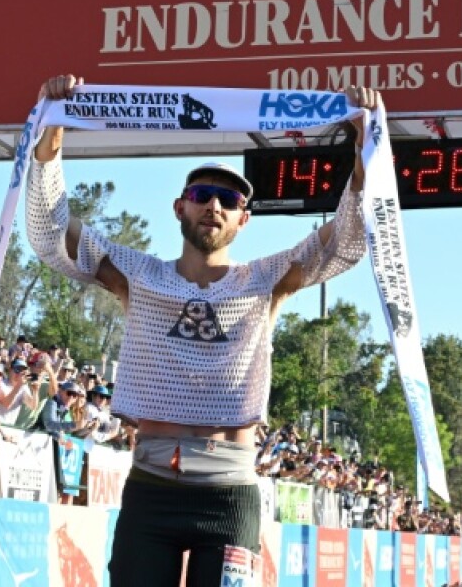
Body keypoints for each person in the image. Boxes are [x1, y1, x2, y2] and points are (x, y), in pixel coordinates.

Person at [26, 74, 376, 587]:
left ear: (243, 220)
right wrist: (50, 136)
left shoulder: (264, 281)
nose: (215, 205)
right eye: (203, 194)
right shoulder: (138, 275)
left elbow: (346, 241)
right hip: (151, 486)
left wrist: (366, 144)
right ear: (180, 207)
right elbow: (48, 232)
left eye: (229, 201)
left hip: (230, 493)